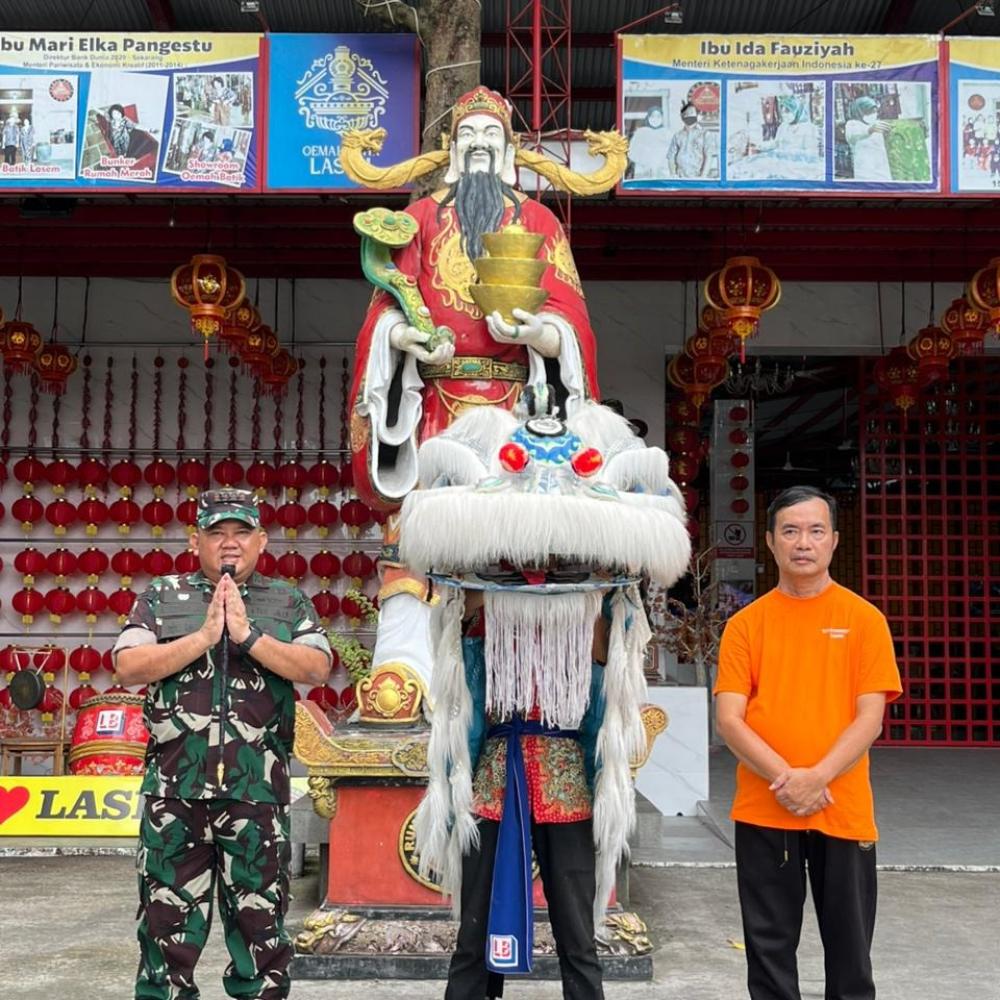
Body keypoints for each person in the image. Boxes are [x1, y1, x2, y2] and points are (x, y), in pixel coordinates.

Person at [350, 86, 600, 691]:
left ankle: (526, 684)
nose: (479, 145)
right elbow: (384, 309)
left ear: (508, 148)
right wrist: (405, 339)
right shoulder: (416, 219)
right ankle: (406, 675)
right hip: (434, 406)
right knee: (418, 539)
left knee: (521, 544)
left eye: (491, 135)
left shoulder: (539, 221)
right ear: (451, 147)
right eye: (468, 135)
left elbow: (572, 319)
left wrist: (541, 334)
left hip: (517, 411)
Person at [113, 488, 333, 1000]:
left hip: (255, 794)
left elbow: (317, 667)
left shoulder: (287, 601)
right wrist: (203, 638)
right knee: (164, 933)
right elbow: (127, 665)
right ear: (196, 541)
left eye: (241, 532)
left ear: (262, 540)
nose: (229, 543)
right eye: (216, 533)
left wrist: (249, 636)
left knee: (262, 934)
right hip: (174, 796)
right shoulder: (162, 597)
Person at [714, 485, 902, 1000]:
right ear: (770, 541)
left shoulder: (864, 620)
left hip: (841, 806)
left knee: (850, 951)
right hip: (765, 808)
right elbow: (729, 719)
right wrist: (788, 780)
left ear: (834, 540)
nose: (803, 543)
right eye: (791, 531)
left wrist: (816, 778)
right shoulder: (746, 625)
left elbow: (870, 719)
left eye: (816, 531)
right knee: (768, 949)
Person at [844, 96, 892, 182]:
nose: (873, 114)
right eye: (869, 112)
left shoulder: (877, 124)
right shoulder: (852, 124)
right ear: (860, 112)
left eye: (875, 111)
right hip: (865, 172)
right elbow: (853, 136)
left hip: (883, 170)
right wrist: (869, 130)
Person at [667, 102, 711, 178]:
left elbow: (709, 156)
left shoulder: (705, 134)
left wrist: (702, 177)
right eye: (686, 114)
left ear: (697, 115)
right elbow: (671, 156)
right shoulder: (677, 136)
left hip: (697, 178)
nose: (688, 115)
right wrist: (673, 175)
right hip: (680, 178)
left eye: (691, 113)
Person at [627, 106, 670, 179]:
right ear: (648, 117)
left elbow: (671, 153)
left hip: (662, 173)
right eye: (652, 116)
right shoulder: (640, 133)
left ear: (662, 118)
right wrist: (643, 160)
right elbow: (631, 152)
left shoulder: (667, 134)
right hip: (643, 171)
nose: (655, 119)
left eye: (658, 116)